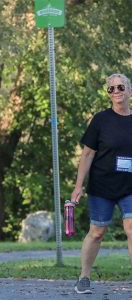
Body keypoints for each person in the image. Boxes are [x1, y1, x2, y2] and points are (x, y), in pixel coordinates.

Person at [71, 73, 132, 294]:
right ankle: (84, 277)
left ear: (129, 91)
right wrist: (78, 186)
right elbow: (87, 154)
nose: (116, 92)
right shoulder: (100, 120)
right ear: (108, 94)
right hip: (102, 186)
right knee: (97, 231)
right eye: (112, 89)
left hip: (129, 186)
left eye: (121, 87)